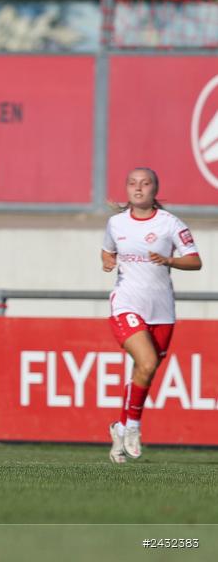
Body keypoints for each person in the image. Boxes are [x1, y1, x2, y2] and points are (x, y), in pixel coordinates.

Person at [102, 168, 202, 464]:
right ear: (126, 188)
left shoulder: (170, 223)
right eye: (132, 183)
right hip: (126, 303)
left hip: (161, 310)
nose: (138, 188)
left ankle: (120, 428)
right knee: (146, 362)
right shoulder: (116, 223)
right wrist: (107, 261)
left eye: (145, 184)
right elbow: (107, 251)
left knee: (144, 371)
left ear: (155, 189)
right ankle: (133, 426)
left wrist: (170, 260)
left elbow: (195, 261)